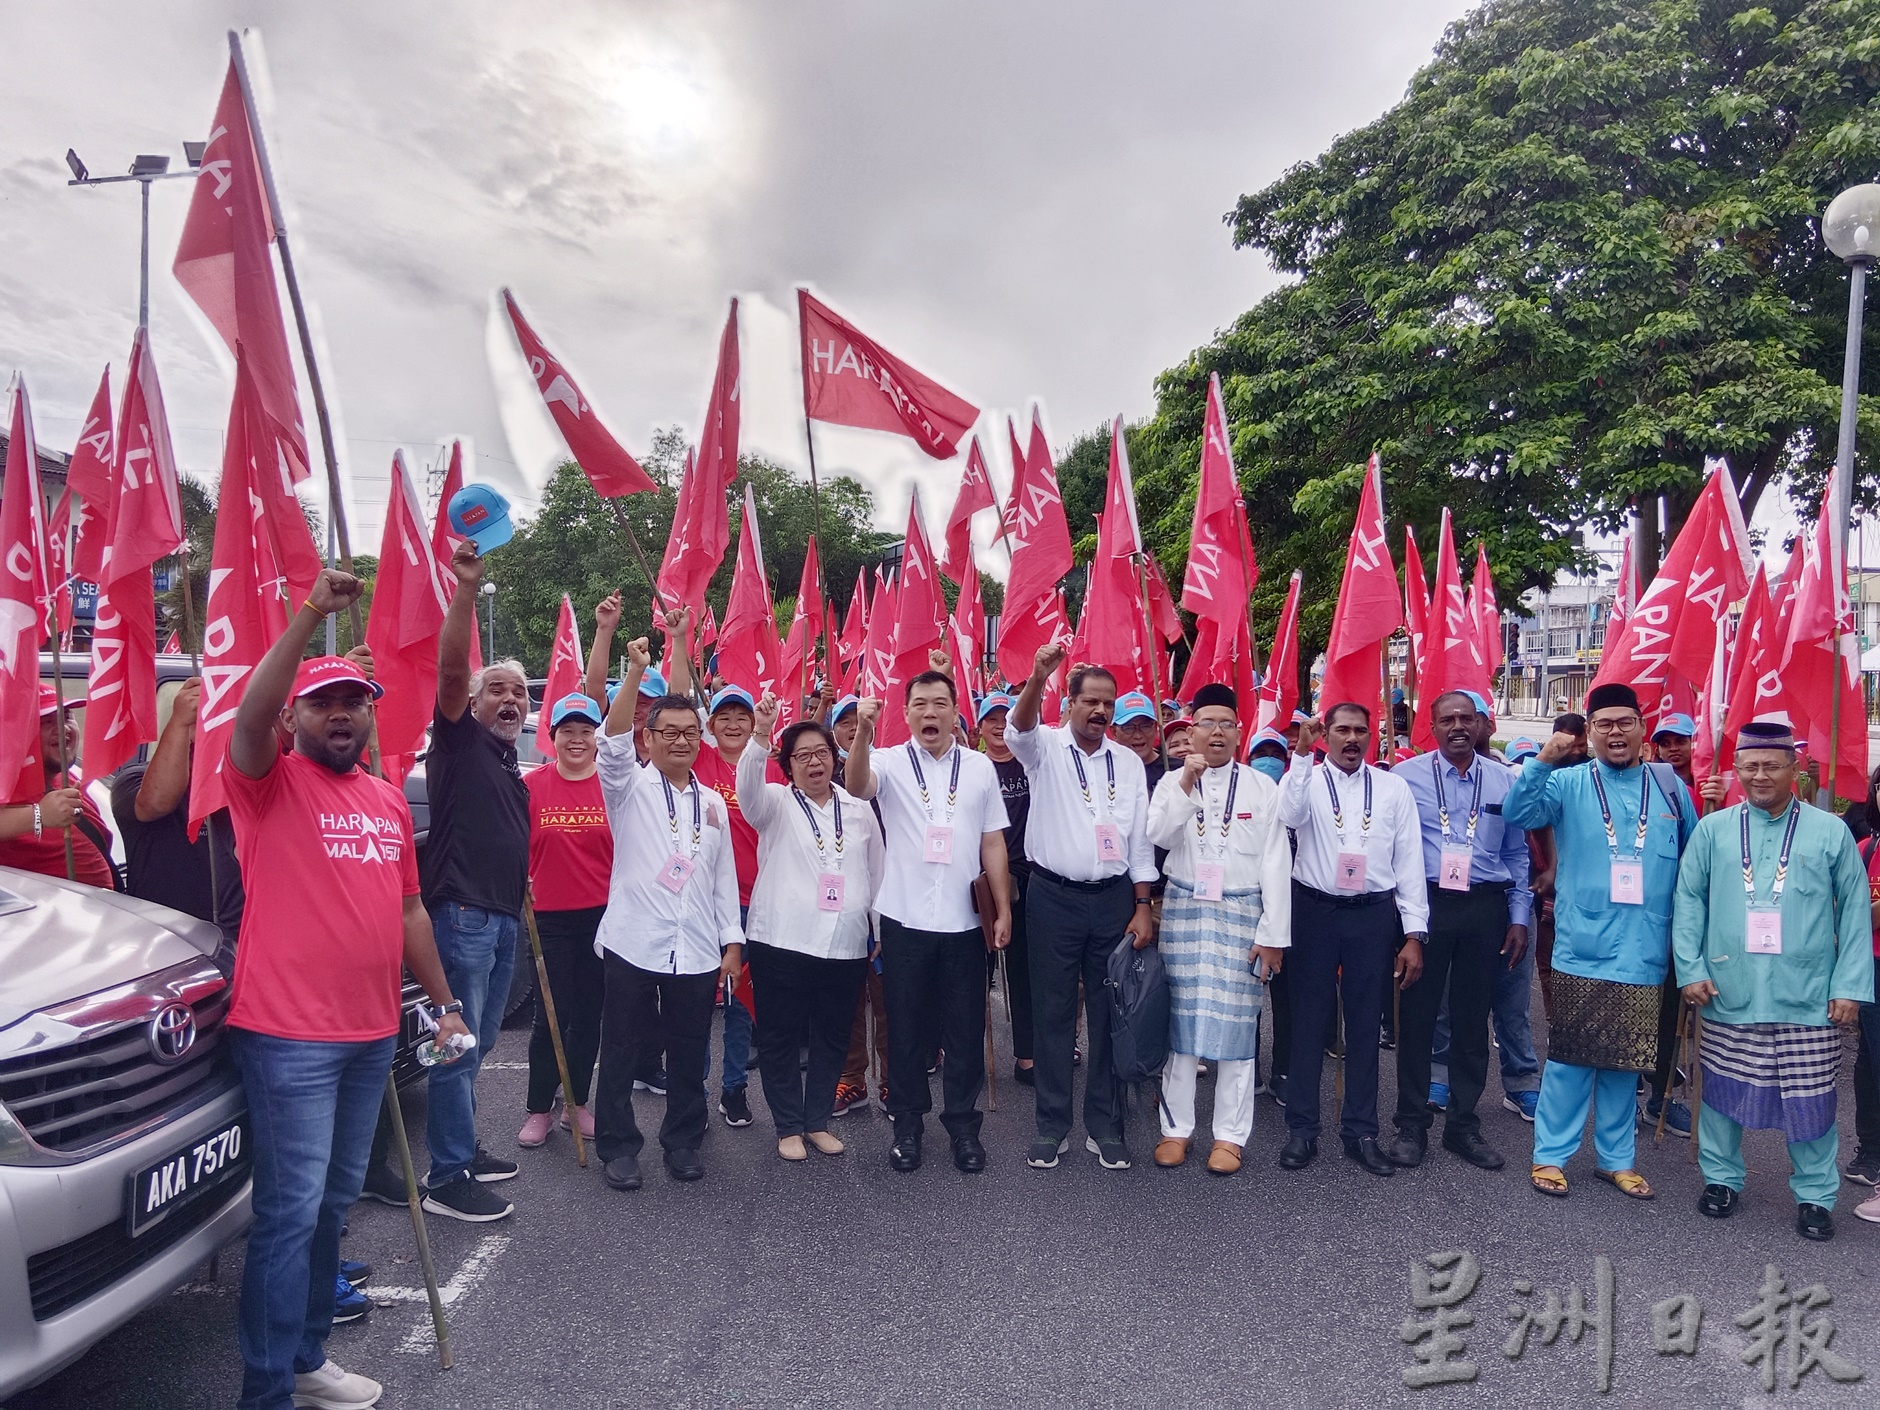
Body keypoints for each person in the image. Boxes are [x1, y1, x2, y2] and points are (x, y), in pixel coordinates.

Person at [221, 571, 469, 1410]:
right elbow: (249, 717)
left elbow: (409, 914)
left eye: (352, 703)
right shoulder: (268, 783)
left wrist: (445, 1002)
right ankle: (265, 1392)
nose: (340, 715)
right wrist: (312, 617)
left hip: (371, 1036)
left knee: (330, 1208)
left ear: (369, 715)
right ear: (296, 720)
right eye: (322, 704)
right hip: (287, 1035)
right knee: (289, 1215)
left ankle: (305, 1358)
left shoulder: (383, 799)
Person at [1673, 722, 1872, 1241]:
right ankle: (1721, 1180)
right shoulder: (1713, 830)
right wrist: (1691, 970)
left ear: (1794, 770)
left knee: (1812, 1101)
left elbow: (1854, 914)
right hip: (1727, 986)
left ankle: (1814, 1196)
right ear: (1736, 770)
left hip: (1808, 995)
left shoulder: (1831, 831)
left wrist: (1848, 986)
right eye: (1750, 765)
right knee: (1721, 1094)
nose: (1759, 775)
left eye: (1771, 765)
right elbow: (1688, 901)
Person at [1503, 682, 1697, 1200]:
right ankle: (1550, 1155)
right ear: (1589, 733)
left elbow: (1695, 863)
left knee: (1625, 1061)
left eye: (1625, 722)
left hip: (1645, 949)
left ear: (1642, 730)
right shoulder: (1568, 783)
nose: (1615, 732)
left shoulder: (1670, 789)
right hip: (1582, 946)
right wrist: (1543, 758)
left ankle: (1616, 1159)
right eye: (1604, 724)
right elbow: (1520, 814)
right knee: (1570, 1058)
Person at [846, 672, 1012, 1174]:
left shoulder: (981, 768)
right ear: (908, 712)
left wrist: (1002, 908)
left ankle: (963, 1126)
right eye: (919, 704)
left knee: (964, 1027)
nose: (930, 713)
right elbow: (855, 787)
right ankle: (907, 1127)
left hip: (964, 921)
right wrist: (862, 733)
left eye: (940, 703)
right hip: (905, 917)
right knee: (906, 1028)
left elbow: (992, 841)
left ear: (955, 708)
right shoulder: (889, 761)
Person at [592, 638, 743, 1190]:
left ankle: (682, 1140)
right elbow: (610, 744)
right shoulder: (628, 786)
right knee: (623, 1047)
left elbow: (722, 877)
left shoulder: (711, 803)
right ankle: (618, 1146)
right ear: (649, 739)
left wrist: (732, 941)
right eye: (667, 733)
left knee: (687, 1049)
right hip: (634, 939)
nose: (680, 741)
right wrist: (633, 672)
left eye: (687, 733)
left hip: (698, 945)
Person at [1007, 647, 1156, 1172]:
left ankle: (1105, 1124)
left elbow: (1138, 841)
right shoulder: (1044, 745)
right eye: (1090, 701)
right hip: (1053, 898)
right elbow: (1016, 729)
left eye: (1107, 703)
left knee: (1111, 1012)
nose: (1100, 710)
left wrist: (1142, 905)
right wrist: (1036, 677)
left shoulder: (1129, 764)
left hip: (1114, 901)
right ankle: (1052, 1124)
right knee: (1052, 1013)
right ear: (1069, 704)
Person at [417, 539, 530, 1221]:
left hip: (503, 916)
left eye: (520, 690)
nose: (511, 698)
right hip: (462, 918)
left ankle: (460, 1146)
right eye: (498, 689)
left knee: (480, 1041)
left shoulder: (508, 764)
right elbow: (449, 665)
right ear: (473, 701)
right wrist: (465, 590)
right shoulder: (458, 742)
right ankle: (446, 1177)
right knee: (456, 1043)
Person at [1274, 704, 1427, 1177]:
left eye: (1362, 730)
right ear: (1326, 735)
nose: (1352, 738)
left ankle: (1361, 1131)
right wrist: (1300, 755)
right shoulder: (1305, 779)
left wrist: (1414, 932)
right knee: (1308, 1022)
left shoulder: (1392, 787)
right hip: (1315, 911)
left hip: (1372, 915)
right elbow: (1289, 815)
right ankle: (1302, 1129)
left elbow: (1409, 861)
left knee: (1364, 1027)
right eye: (1342, 730)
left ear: (1373, 736)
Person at [1146, 684, 1291, 1175]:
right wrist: (1186, 781)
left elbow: (1275, 864)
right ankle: (1175, 1129)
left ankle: (1229, 1137)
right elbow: (1159, 836)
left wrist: (1272, 934)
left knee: (1237, 1027)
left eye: (1226, 723)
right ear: (1190, 729)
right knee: (1180, 1024)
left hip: (1241, 914)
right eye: (1206, 722)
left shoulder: (1261, 787)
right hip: (1186, 908)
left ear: (1239, 731)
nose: (1216, 732)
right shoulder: (1172, 782)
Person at [1387, 692, 1531, 1172]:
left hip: (1484, 908)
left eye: (1466, 719)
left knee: (1472, 1021)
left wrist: (1518, 916)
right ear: (1431, 725)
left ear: (1482, 724)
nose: (1457, 727)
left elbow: (1516, 855)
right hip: (1425, 906)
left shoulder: (1505, 780)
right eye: (1447, 719)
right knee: (1418, 1018)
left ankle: (1463, 1125)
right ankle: (1410, 1123)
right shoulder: (1404, 780)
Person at [738, 694, 883, 1160]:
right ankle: (787, 1126)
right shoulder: (775, 804)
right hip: (781, 939)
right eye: (801, 756)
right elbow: (746, 791)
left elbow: (876, 872)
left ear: (835, 759)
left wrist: (876, 931)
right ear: (788, 766)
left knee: (833, 1034)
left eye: (821, 753)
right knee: (780, 1034)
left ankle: (817, 1120)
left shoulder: (858, 808)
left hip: (843, 945)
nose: (814, 762)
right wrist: (760, 734)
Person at [517, 693, 613, 1149]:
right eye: (568, 731)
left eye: (586, 731)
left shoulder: (612, 786)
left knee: (588, 1018)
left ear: (597, 737)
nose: (577, 739)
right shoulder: (531, 786)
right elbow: (512, 847)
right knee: (549, 1018)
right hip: (548, 918)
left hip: (602, 917)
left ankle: (576, 1103)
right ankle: (539, 1107)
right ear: (551, 737)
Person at [108, 675, 246, 952]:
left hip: (238, 944)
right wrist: (183, 723)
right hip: (162, 946)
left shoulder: (246, 783)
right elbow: (156, 802)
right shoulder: (133, 780)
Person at [694, 683, 761, 1129]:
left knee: (742, 1006)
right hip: (705, 904)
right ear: (711, 725)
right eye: (724, 716)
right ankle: (692, 1090)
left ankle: (733, 1089)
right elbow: (682, 693)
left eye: (742, 716)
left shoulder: (766, 769)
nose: (733, 723)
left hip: (755, 905)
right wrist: (680, 643)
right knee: (699, 1003)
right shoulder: (700, 760)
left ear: (754, 724)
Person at [0, 685, 115, 888]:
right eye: (47, 721)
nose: (63, 729)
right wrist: (40, 815)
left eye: (67, 717)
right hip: (42, 916)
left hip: (104, 911)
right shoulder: (6, 784)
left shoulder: (70, 777)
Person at [978, 691, 1036, 1085]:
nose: (1000, 726)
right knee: (974, 972)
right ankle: (966, 1052)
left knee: (1025, 970)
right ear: (979, 727)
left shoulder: (1033, 764)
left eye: (1006, 718)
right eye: (992, 719)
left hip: (1030, 877)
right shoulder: (973, 768)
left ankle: (1028, 1054)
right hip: (980, 879)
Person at [1847, 764, 1880, 1203]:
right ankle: (1870, 1151)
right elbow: (1851, 916)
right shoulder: (1866, 848)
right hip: (1871, 966)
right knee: (1869, 1063)